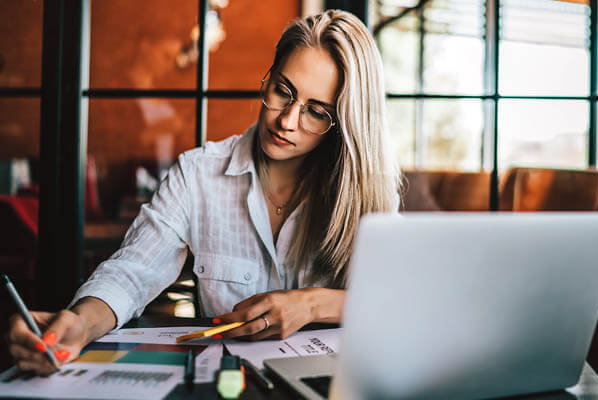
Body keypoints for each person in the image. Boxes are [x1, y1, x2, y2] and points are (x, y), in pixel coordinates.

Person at [6, 9, 399, 375]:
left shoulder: (368, 192)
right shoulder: (198, 173)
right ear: (270, 76)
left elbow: (404, 301)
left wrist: (313, 302)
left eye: (316, 111)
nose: (287, 121)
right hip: (228, 385)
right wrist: (79, 322)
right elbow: (132, 272)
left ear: (344, 123)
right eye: (283, 91)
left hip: (336, 384)